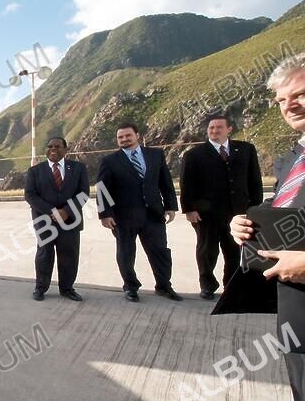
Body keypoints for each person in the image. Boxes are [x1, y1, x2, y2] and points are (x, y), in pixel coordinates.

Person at [229, 54, 305, 401]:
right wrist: (247, 229)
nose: (289, 106)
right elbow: (286, 219)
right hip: (296, 309)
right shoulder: (295, 157)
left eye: (300, 94)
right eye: (282, 100)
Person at [179, 112, 262, 300]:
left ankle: (231, 286)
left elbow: (254, 180)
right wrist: (189, 209)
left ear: (229, 129)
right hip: (206, 214)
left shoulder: (246, 149)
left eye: (218, 127)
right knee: (207, 252)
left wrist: (255, 208)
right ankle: (207, 285)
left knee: (234, 252)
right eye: (211, 128)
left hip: (238, 213)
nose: (214, 130)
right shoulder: (194, 155)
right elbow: (187, 184)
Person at [97, 123, 181, 302]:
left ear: (137, 135)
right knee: (126, 253)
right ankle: (130, 287)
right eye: (120, 137)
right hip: (123, 217)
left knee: (160, 251)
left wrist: (171, 206)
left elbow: (165, 182)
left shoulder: (156, 155)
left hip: (153, 214)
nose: (124, 139)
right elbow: (103, 189)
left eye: (128, 135)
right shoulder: (110, 161)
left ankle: (164, 286)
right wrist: (105, 214)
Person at [24, 137, 89, 302]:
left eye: (57, 146)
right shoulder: (34, 171)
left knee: (69, 255)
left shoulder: (78, 168)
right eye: (50, 146)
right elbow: (30, 195)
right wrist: (53, 212)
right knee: (44, 255)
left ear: (65, 149)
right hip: (44, 221)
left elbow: (83, 193)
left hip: (70, 220)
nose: (53, 149)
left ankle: (67, 289)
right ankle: (40, 288)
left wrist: (66, 211)